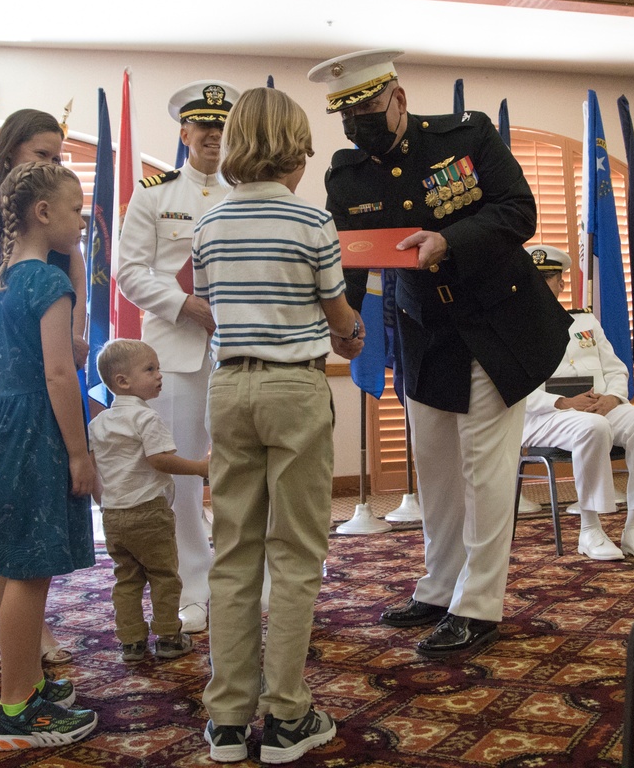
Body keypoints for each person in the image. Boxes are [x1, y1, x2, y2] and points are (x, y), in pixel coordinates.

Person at [310, 49, 571, 659]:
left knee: (485, 467)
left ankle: (479, 605)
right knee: (435, 467)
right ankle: (438, 587)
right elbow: (346, 254)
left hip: (494, 324)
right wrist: (342, 323)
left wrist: (447, 241)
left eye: (369, 108)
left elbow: (518, 213)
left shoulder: (467, 136)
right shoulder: (347, 173)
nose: (359, 125)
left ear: (397, 98)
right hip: (424, 331)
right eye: (346, 116)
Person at [192, 87, 363, 764]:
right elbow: (338, 315)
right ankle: (288, 717)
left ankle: (228, 722)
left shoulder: (206, 225)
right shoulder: (313, 222)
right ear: (295, 151)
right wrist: (350, 336)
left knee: (233, 554)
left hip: (228, 386)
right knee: (294, 554)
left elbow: (210, 306)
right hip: (294, 387)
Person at [0, 161, 97, 749]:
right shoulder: (49, 283)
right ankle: (16, 710)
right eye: (75, 210)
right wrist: (80, 453)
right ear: (43, 214)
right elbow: (57, 374)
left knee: (11, 558)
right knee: (28, 570)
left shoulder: (0, 278)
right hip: (33, 427)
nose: (82, 220)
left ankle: (26, 681)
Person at [0, 108, 88, 666]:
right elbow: (49, 366)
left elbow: (75, 278)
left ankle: (20, 661)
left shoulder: (21, 269)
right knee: (20, 541)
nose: (53, 162)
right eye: (44, 155)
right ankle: (21, 667)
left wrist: (76, 334)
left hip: (28, 376)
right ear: (11, 151)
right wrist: (80, 453)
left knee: (23, 543)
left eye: (60, 156)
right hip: (14, 379)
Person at [116, 80, 241, 635]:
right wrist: (186, 305)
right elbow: (130, 272)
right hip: (175, 355)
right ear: (185, 132)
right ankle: (194, 583)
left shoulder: (249, 193)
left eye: (224, 128)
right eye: (204, 127)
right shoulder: (154, 195)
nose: (214, 136)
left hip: (242, 349)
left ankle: (243, 580)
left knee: (244, 468)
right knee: (183, 475)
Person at [522, 245, 634, 561]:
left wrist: (613, 397)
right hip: (544, 416)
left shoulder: (584, 322)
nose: (551, 284)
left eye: (552, 278)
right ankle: (590, 529)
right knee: (593, 426)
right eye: (541, 278)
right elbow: (512, 388)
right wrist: (563, 402)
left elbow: (615, 369)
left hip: (596, 408)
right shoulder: (510, 326)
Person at [89, 338, 209, 662]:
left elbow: (92, 468)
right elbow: (160, 460)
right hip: (148, 512)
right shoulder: (146, 418)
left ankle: (131, 642)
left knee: (126, 579)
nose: (159, 375)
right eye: (150, 369)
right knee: (164, 575)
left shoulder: (97, 423)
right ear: (123, 381)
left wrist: (104, 502)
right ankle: (169, 635)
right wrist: (200, 467)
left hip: (113, 515)